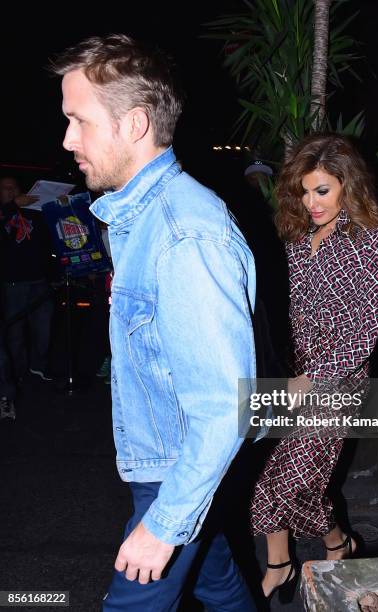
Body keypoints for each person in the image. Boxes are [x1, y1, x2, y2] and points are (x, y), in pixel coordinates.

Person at [51, 34, 257, 611]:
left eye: (79, 121)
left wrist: (164, 523)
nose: (68, 140)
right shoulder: (136, 218)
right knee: (216, 584)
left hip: (179, 465)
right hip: (170, 456)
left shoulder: (183, 235)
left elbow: (224, 405)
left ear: (135, 123)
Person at [250, 133, 378, 600]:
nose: (311, 203)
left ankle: (279, 563)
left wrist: (311, 379)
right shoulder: (299, 235)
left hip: (337, 380)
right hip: (296, 373)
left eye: (322, 191)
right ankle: (338, 543)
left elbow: (365, 331)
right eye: (304, 191)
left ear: (347, 186)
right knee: (303, 484)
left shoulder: (374, 236)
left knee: (276, 478)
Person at [0, 176, 54, 388]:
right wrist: (13, 206)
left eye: (15, 187)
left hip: (39, 279)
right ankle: (16, 371)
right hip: (13, 282)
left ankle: (39, 365)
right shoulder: (5, 213)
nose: (12, 191)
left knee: (44, 328)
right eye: (6, 188)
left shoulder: (32, 211)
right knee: (15, 331)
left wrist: (56, 205)